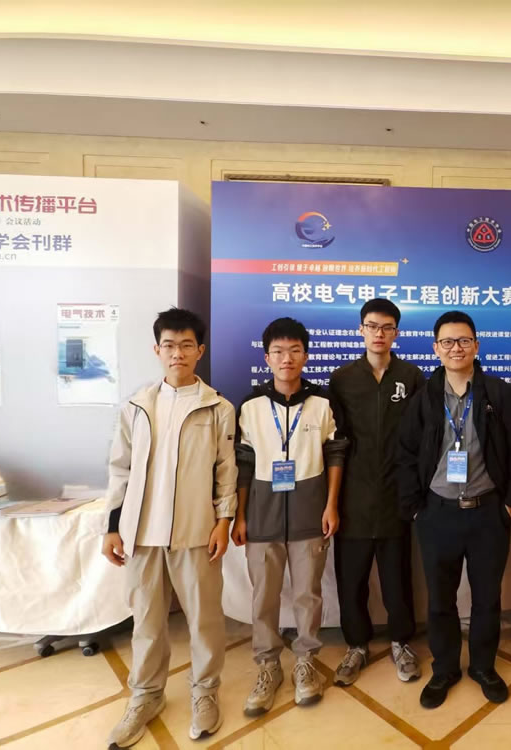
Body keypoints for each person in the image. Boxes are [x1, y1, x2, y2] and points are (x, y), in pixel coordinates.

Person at [101, 307, 237, 747]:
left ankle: (205, 692)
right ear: (157, 350)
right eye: (169, 345)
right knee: (146, 622)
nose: (178, 353)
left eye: (186, 345)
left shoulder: (217, 407)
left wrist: (223, 521)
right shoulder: (137, 406)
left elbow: (226, 470)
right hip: (142, 535)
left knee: (204, 620)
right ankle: (146, 695)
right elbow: (119, 470)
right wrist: (113, 526)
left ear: (200, 350)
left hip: (196, 532)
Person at [396, 310, 511, 709]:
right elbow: (404, 455)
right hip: (437, 514)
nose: (456, 348)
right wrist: (416, 510)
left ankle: (484, 667)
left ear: (476, 345)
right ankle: (444, 669)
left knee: (487, 598)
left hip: (488, 513)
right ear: (436, 348)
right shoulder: (424, 398)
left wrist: (510, 506)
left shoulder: (498, 393)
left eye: (464, 340)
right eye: (448, 342)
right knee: (441, 599)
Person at [231, 317, 346, 713]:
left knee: (307, 594)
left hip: (310, 513)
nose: (287, 358)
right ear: (266, 358)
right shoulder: (249, 406)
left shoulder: (323, 403)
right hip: (261, 516)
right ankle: (268, 666)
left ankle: (305, 662)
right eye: (278, 352)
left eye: (295, 350)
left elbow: (336, 454)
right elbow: (243, 464)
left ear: (306, 355)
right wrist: (240, 516)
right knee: (263, 595)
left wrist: (331, 505)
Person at [328, 299, 424, 686]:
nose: (379, 334)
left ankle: (402, 642)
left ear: (396, 332)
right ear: (361, 330)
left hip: (396, 495)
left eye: (386, 327)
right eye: (372, 326)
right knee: (351, 579)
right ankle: (356, 645)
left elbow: (421, 437)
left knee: (397, 578)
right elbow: (335, 441)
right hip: (352, 495)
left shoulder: (411, 376)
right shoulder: (342, 378)